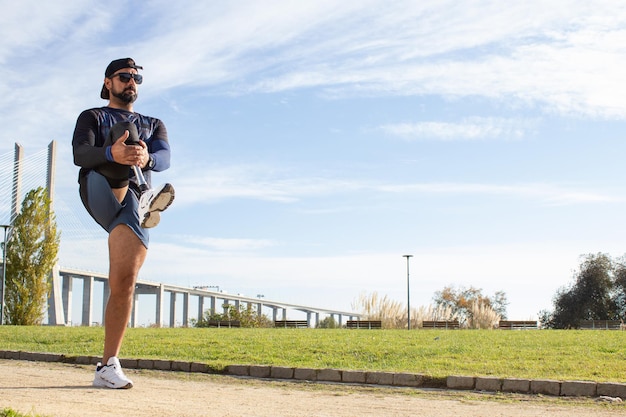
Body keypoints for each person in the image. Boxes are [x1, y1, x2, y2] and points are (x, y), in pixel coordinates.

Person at [72, 58, 175, 389]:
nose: (132, 81)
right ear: (108, 82)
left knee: (125, 281)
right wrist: (114, 154)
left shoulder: (155, 123)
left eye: (136, 78)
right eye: (124, 77)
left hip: (130, 198)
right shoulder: (93, 116)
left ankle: (107, 364)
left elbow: (165, 158)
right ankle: (146, 195)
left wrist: (149, 159)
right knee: (124, 137)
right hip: (100, 185)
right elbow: (80, 154)